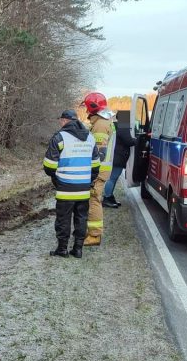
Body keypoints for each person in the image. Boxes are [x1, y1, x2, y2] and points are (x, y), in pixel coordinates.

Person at [43, 109, 100, 259]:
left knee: (63, 218)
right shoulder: (90, 138)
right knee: (81, 218)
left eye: (60, 120)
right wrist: (88, 180)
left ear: (64, 121)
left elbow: (49, 166)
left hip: (65, 187)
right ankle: (78, 249)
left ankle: (62, 249)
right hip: (84, 187)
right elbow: (95, 165)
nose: (60, 123)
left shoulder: (59, 137)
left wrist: (57, 179)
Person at [82, 92, 116, 246]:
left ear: (92, 107)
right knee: (93, 199)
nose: (86, 111)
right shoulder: (103, 121)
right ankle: (92, 233)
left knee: (94, 199)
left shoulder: (101, 124)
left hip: (98, 170)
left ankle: (95, 235)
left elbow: (99, 152)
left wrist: (91, 172)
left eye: (87, 108)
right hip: (100, 169)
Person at [103, 111, 137, 208]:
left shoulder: (116, 125)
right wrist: (139, 139)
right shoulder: (123, 127)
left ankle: (109, 197)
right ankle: (106, 197)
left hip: (115, 155)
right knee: (113, 178)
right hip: (118, 156)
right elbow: (129, 141)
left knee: (113, 177)